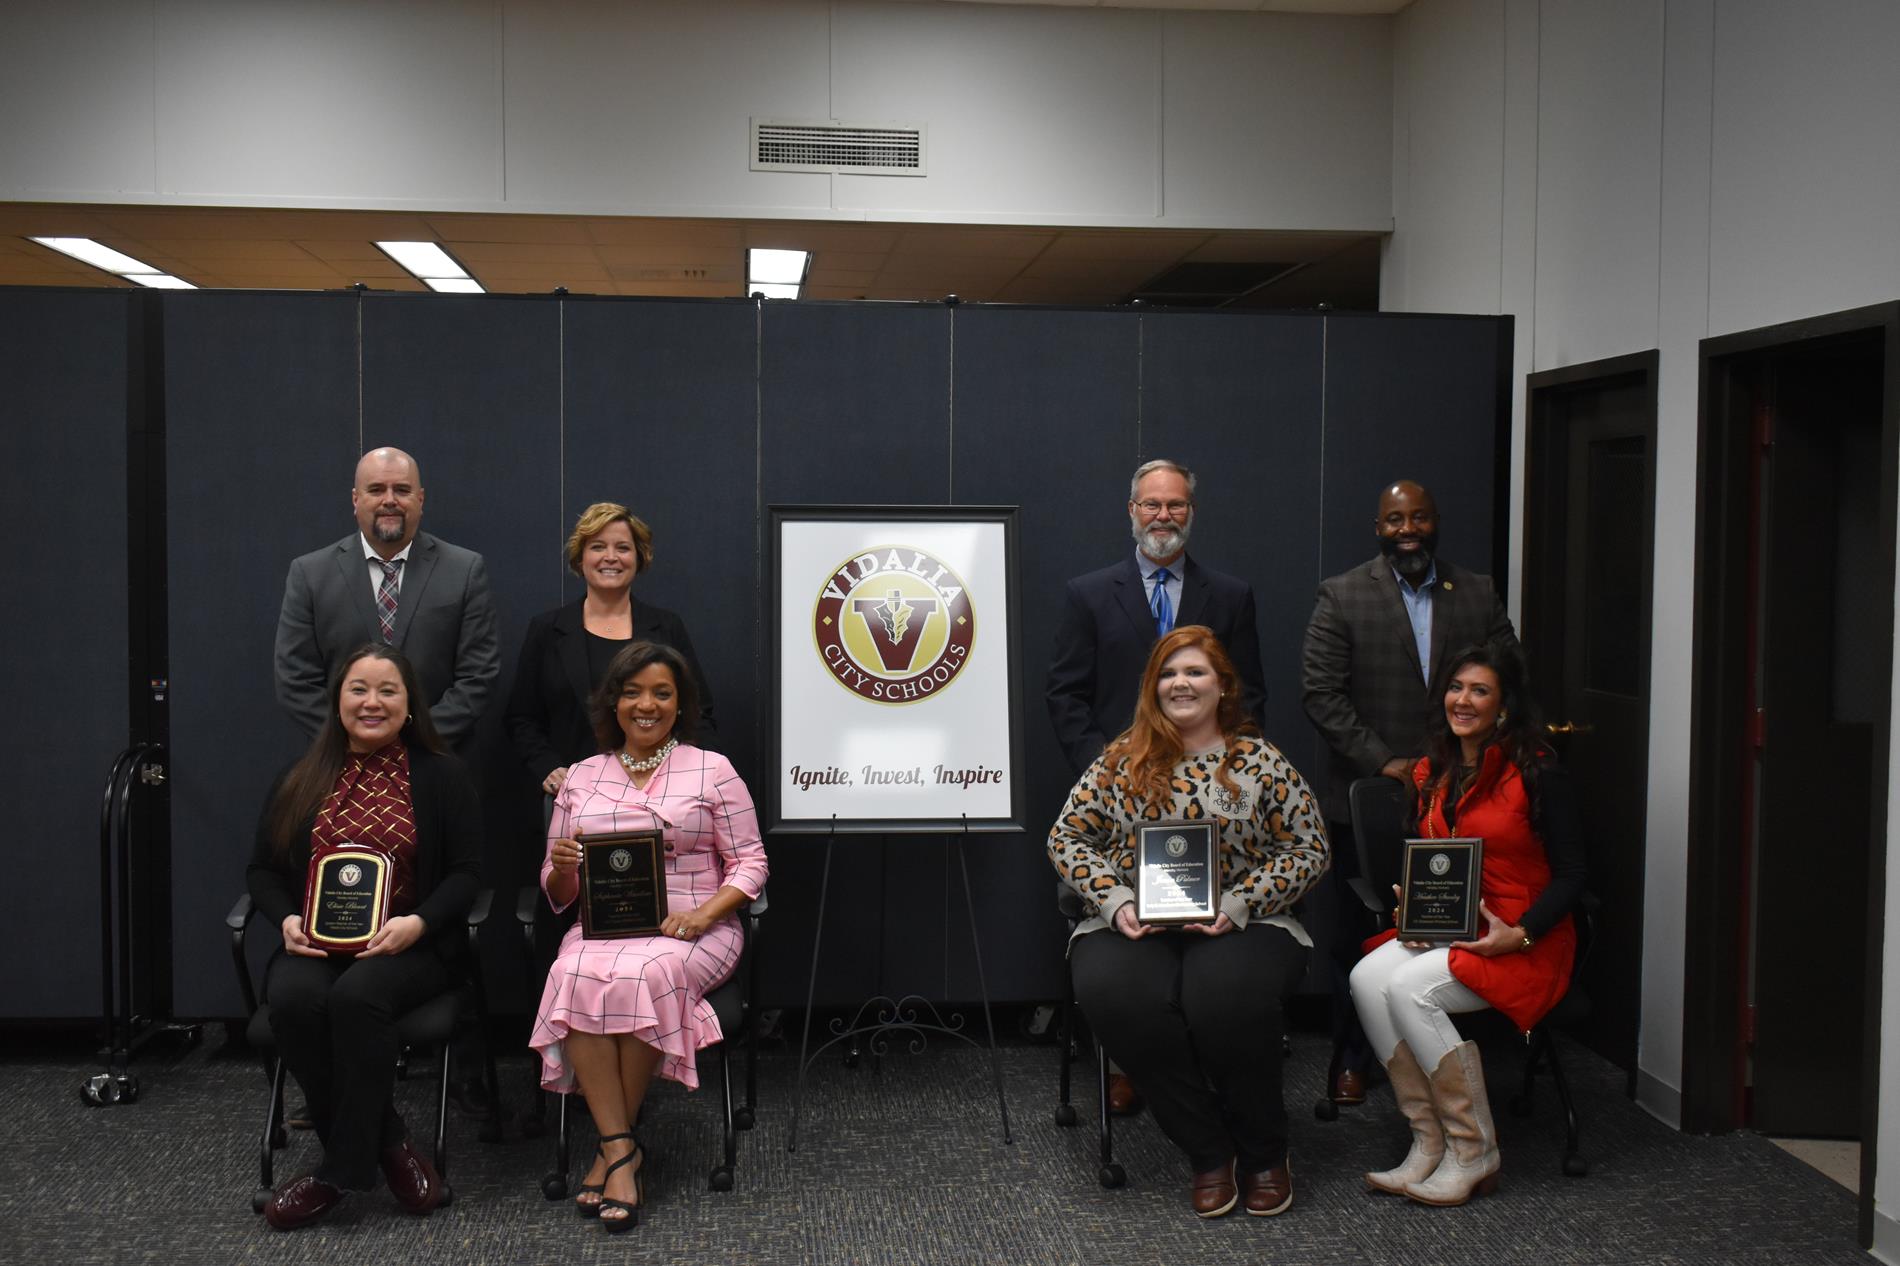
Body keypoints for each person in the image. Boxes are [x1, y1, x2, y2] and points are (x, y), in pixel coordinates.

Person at [1047, 625, 1328, 1219]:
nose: (1181, 683)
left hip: (1245, 921)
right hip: (1133, 922)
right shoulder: (1122, 758)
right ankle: (1207, 1149)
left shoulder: (1260, 761)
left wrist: (1240, 902)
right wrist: (1115, 899)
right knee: (1113, 992)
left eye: (1195, 672)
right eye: (1168, 673)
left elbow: (1308, 850)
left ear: (1222, 686)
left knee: (1224, 996)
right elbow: (1067, 836)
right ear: (1153, 688)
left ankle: (1264, 1153)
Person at [1046, 458, 1268, 1116]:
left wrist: (1224, 773)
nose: (1163, 516)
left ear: (1191, 513)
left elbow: (1250, 696)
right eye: (1151, 505)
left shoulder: (1229, 595)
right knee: (1129, 941)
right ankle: (1129, 1063)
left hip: (1211, 808)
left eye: (1175, 505)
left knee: (1204, 934)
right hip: (1122, 802)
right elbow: (1065, 695)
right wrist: (1113, 774)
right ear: (1131, 512)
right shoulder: (1089, 593)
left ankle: (1201, 1055)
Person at [529, 642, 768, 1234]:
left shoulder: (713, 769)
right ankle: (621, 1149)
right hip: (603, 927)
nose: (646, 705)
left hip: (693, 927)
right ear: (613, 703)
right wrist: (561, 864)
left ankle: (611, 1151)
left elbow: (751, 864)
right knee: (571, 973)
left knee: (647, 974)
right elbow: (558, 891)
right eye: (633, 692)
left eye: (662, 693)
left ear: (679, 703)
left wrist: (708, 912)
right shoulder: (581, 777)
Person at [245, 645, 484, 1231]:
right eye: (358, 689)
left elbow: (468, 873)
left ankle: (337, 1173)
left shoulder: (441, 774)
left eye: (387, 691)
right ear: (337, 701)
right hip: (316, 945)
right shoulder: (300, 777)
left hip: (413, 946)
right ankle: (391, 1144)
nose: (371, 702)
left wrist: (419, 922)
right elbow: (263, 871)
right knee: (295, 1000)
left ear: (409, 706)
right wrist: (285, 920)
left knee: (357, 997)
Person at [1300, 479, 1517, 1107]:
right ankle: (1356, 1057)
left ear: (1435, 521)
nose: (1408, 529)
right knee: (1360, 932)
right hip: (1374, 800)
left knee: (1460, 919)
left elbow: (1509, 678)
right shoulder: (1343, 596)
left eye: (1419, 517)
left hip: (1467, 798)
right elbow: (1321, 694)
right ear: (1377, 526)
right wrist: (1385, 761)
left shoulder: (1475, 591)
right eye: (1395, 518)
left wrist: (1476, 760)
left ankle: (1445, 1051)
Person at [1349, 638, 1585, 1205]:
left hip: (1525, 938)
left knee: (1410, 989)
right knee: (1364, 978)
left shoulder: (1537, 771)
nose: (1464, 700)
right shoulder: (1437, 770)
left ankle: (1474, 1149)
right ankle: (1427, 1142)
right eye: (1456, 687)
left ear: (1503, 705)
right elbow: (1440, 862)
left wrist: (1521, 932)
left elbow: (1574, 875)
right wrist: (1418, 905)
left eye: (1480, 690)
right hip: (1455, 931)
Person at [275, 446, 500, 748]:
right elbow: (295, 680)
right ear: (356, 500)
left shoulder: (465, 571)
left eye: (402, 490)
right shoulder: (310, 574)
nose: (390, 500)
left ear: (420, 499)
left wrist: (413, 742)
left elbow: (478, 677)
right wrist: (353, 739)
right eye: (377, 489)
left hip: (435, 764)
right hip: (338, 766)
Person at [506, 501, 718, 796]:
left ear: (639, 557)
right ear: (580, 558)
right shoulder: (546, 630)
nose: (610, 557)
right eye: (597, 547)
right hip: (573, 796)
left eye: (622, 547)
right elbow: (522, 718)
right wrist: (547, 767)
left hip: (657, 796)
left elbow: (699, 714)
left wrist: (681, 776)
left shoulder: (667, 628)